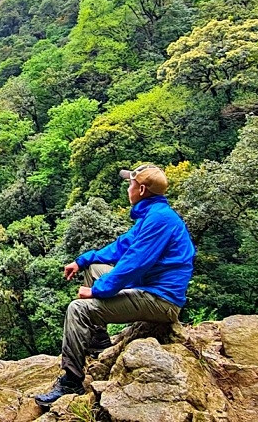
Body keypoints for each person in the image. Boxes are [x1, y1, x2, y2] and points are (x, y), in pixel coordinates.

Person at [34, 164, 196, 408]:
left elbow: (133, 264)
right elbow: (121, 247)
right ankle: (99, 341)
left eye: (130, 184)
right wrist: (82, 261)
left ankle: (71, 381)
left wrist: (97, 292)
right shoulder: (153, 215)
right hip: (151, 289)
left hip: (161, 301)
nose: (128, 188)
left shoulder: (159, 220)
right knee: (94, 269)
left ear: (141, 189)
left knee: (78, 309)